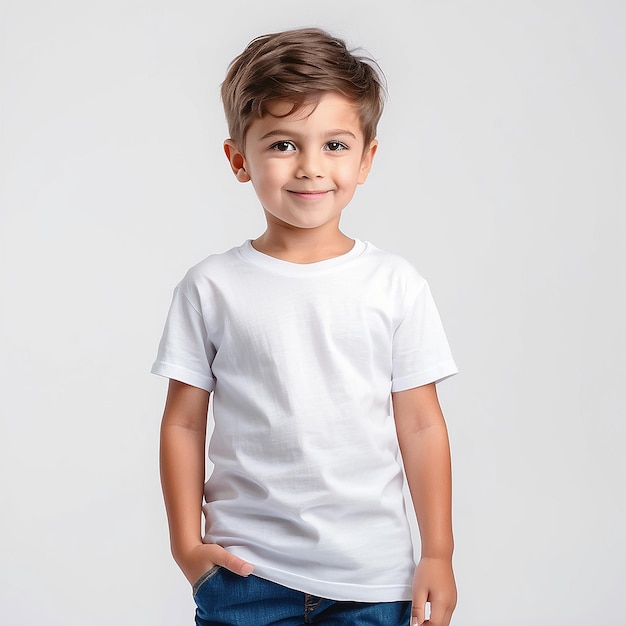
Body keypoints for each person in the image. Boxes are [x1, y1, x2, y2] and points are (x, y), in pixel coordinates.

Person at [152, 27, 458, 626]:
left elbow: (421, 424)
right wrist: (187, 547)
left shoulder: (395, 284)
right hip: (247, 577)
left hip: (373, 580)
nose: (311, 167)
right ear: (239, 158)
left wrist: (439, 553)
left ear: (367, 157)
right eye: (283, 144)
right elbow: (184, 421)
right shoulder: (211, 286)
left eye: (336, 145)